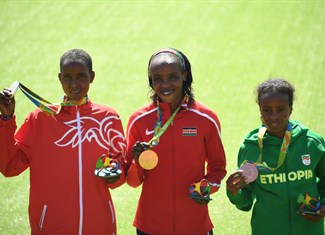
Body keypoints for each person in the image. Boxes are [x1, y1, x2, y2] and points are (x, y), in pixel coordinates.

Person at [0, 49, 126, 235]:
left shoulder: (108, 118)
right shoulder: (40, 119)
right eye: (67, 77)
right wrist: (6, 119)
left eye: (81, 76)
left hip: (100, 227)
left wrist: (115, 174)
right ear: (59, 78)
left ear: (91, 76)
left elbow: (120, 166)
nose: (74, 83)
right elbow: (10, 166)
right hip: (51, 227)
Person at [125, 48, 227, 235]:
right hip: (150, 227)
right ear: (151, 80)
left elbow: (218, 168)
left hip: (195, 226)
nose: (165, 84)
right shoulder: (139, 120)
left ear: (184, 76)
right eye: (157, 78)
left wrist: (206, 188)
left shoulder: (206, 118)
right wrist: (138, 163)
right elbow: (132, 181)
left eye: (172, 76)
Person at [226, 78, 325, 235]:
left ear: (290, 109)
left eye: (280, 109)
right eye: (267, 109)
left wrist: (323, 206)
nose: (273, 116)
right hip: (267, 230)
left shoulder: (311, 142)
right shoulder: (250, 147)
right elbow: (245, 201)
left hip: (309, 229)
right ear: (260, 109)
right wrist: (234, 192)